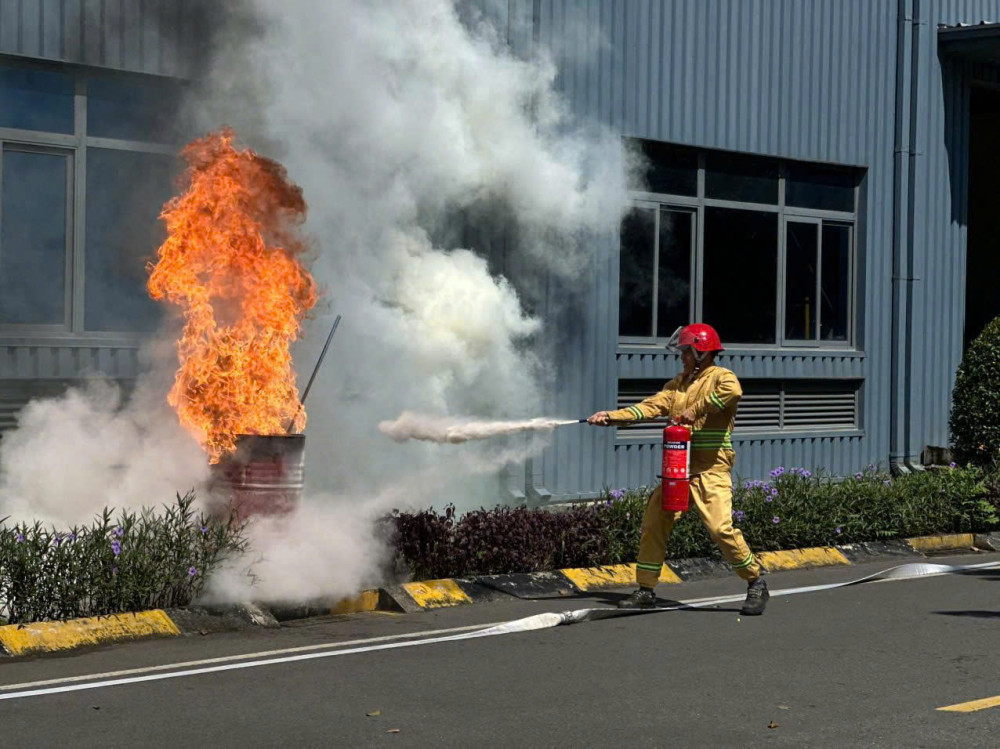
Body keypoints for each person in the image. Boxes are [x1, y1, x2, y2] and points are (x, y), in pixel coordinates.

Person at [587, 323, 769, 616]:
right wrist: (610, 417)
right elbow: (648, 407)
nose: (682, 357)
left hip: (711, 470)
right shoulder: (676, 386)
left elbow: (733, 392)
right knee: (653, 523)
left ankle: (756, 582)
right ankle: (646, 590)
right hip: (678, 470)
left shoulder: (722, 377)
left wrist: (694, 410)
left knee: (721, 529)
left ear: (701, 352)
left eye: (685, 351)